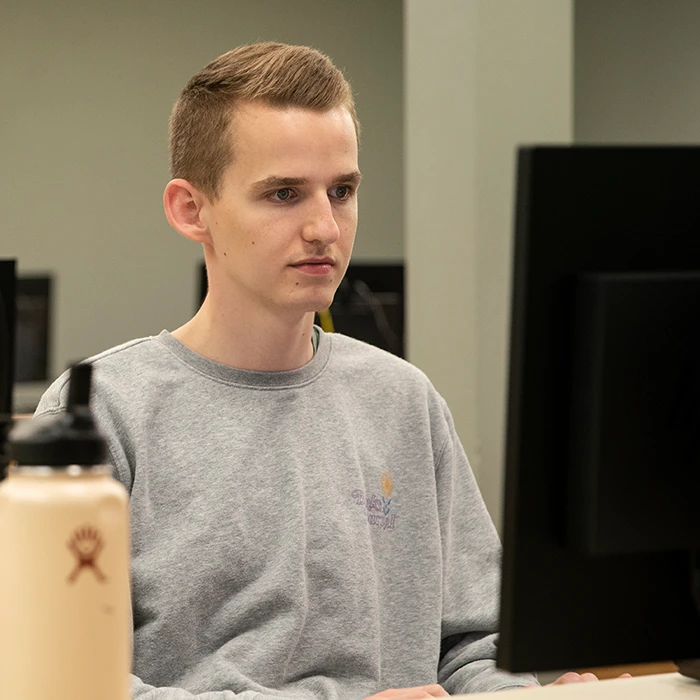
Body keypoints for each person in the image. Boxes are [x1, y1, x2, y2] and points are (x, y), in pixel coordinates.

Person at [36, 42, 611, 698]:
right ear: (191, 210)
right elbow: (67, 683)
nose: (324, 228)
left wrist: (523, 695)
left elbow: (473, 643)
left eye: (342, 191)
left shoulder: (402, 399)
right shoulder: (105, 414)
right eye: (284, 194)